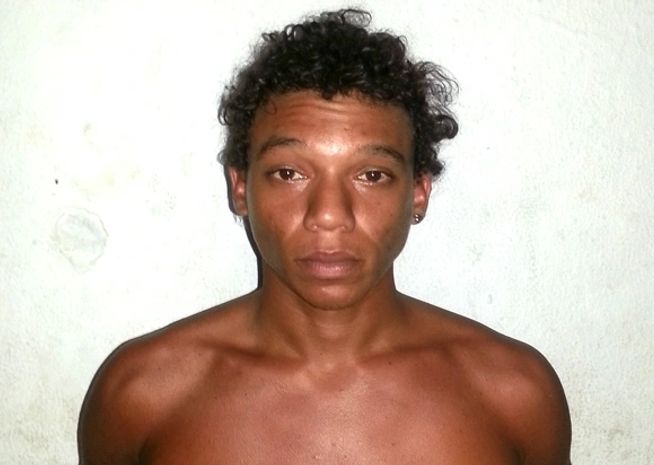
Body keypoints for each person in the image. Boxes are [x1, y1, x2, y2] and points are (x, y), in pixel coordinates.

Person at [78, 9, 571, 465]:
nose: (329, 216)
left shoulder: (515, 396)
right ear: (241, 187)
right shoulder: (141, 396)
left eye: (371, 175)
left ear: (418, 192)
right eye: (290, 173)